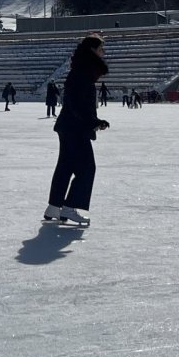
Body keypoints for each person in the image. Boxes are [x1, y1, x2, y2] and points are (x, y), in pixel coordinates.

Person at [44, 35, 109, 225]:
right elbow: (75, 103)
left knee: (66, 167)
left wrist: (93, 121)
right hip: (74, 128)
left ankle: (54, 207)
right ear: (92, 50)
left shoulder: (81, 70)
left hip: (70, 126)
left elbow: (78, 103)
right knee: (87, 168)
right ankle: (69, 207)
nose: (103, 53)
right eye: (101, 49)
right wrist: (92, 122)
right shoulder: (82, 72)